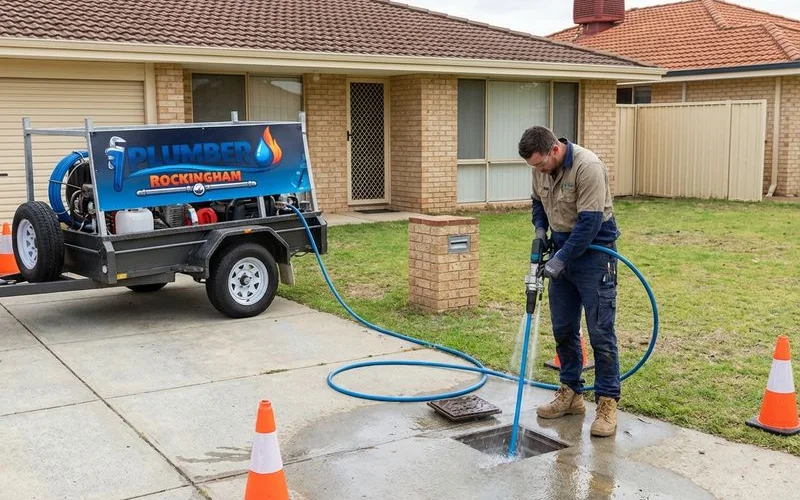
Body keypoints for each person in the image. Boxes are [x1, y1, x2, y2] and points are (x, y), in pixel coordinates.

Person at [518, 125, 621, 437]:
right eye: (533, 166)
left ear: (554, 150)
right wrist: (540, 231)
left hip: (595, 253)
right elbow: (538, 203)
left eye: (540, 164)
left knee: (600, 332)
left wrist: (561, 259)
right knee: (563, 328)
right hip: (562, 249)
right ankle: (571, 393)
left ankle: (607, 403)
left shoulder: (588, 167)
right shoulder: (539, 167)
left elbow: (590, 223)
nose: (538, 170)